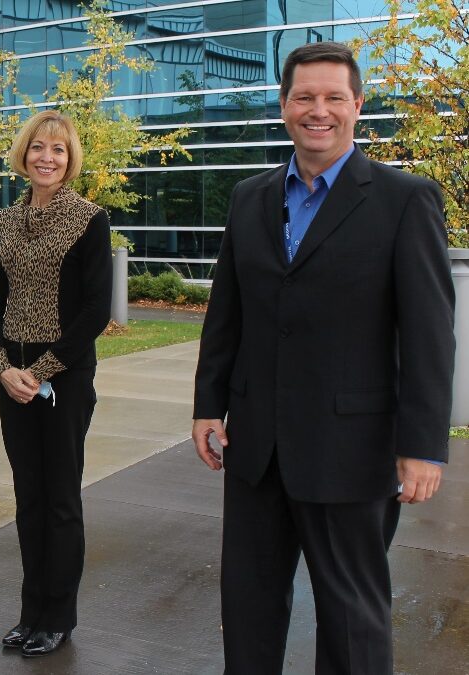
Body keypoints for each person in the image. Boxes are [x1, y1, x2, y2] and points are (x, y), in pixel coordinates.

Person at [192, 41, 455, 674]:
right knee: (249, 603)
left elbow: (429, 334)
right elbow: (228, 313)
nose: (319, 110)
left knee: (350, 615)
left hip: (351, 450)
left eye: (334, 97)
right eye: (304, 97)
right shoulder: (249, 198)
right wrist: (209, 404)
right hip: (257, 448)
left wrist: (423, 445)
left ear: (357, 106)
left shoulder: (404, 199)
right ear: (283, 106)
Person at [0, 110, 113, 658]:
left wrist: (41, 371)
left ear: (70, 158)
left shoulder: (88, 218)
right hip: (13, 376)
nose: (47, 158)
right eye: (38, 147)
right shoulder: (6, 219)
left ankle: (57, 615)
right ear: (24, 154)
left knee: (60, 499)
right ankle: (30, 610)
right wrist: (2, 365)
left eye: (58, 150)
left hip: (63, 378)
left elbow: (95, 310)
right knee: (28, 498)